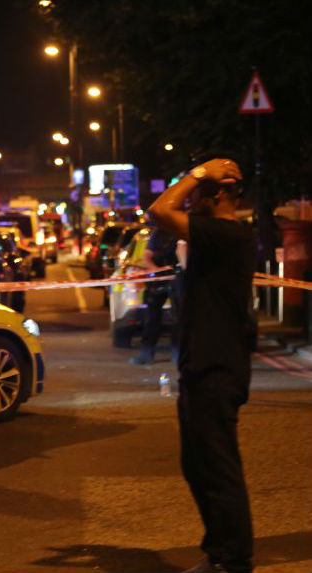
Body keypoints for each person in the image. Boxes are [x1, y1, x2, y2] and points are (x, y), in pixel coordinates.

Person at [148, 156, 255, 573]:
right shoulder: (214, 234)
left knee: (219, 467)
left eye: (197, 195)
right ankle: (219, 550)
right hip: (200, 363)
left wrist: (194, 175)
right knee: (196, 465)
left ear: (218, 195)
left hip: (218, 366)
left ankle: (234, 560)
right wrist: (198, 178)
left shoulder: (227, 234)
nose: (189, 202)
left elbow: (160, 211)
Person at [129, 226, 183, 365]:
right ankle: (147, 353)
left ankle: (178, 353)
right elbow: (146, 257)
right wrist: (158, 271)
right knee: (152, 318)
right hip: (158, 281)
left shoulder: (182, 231)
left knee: (179, 318)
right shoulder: (159, 233)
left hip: (177, 279)